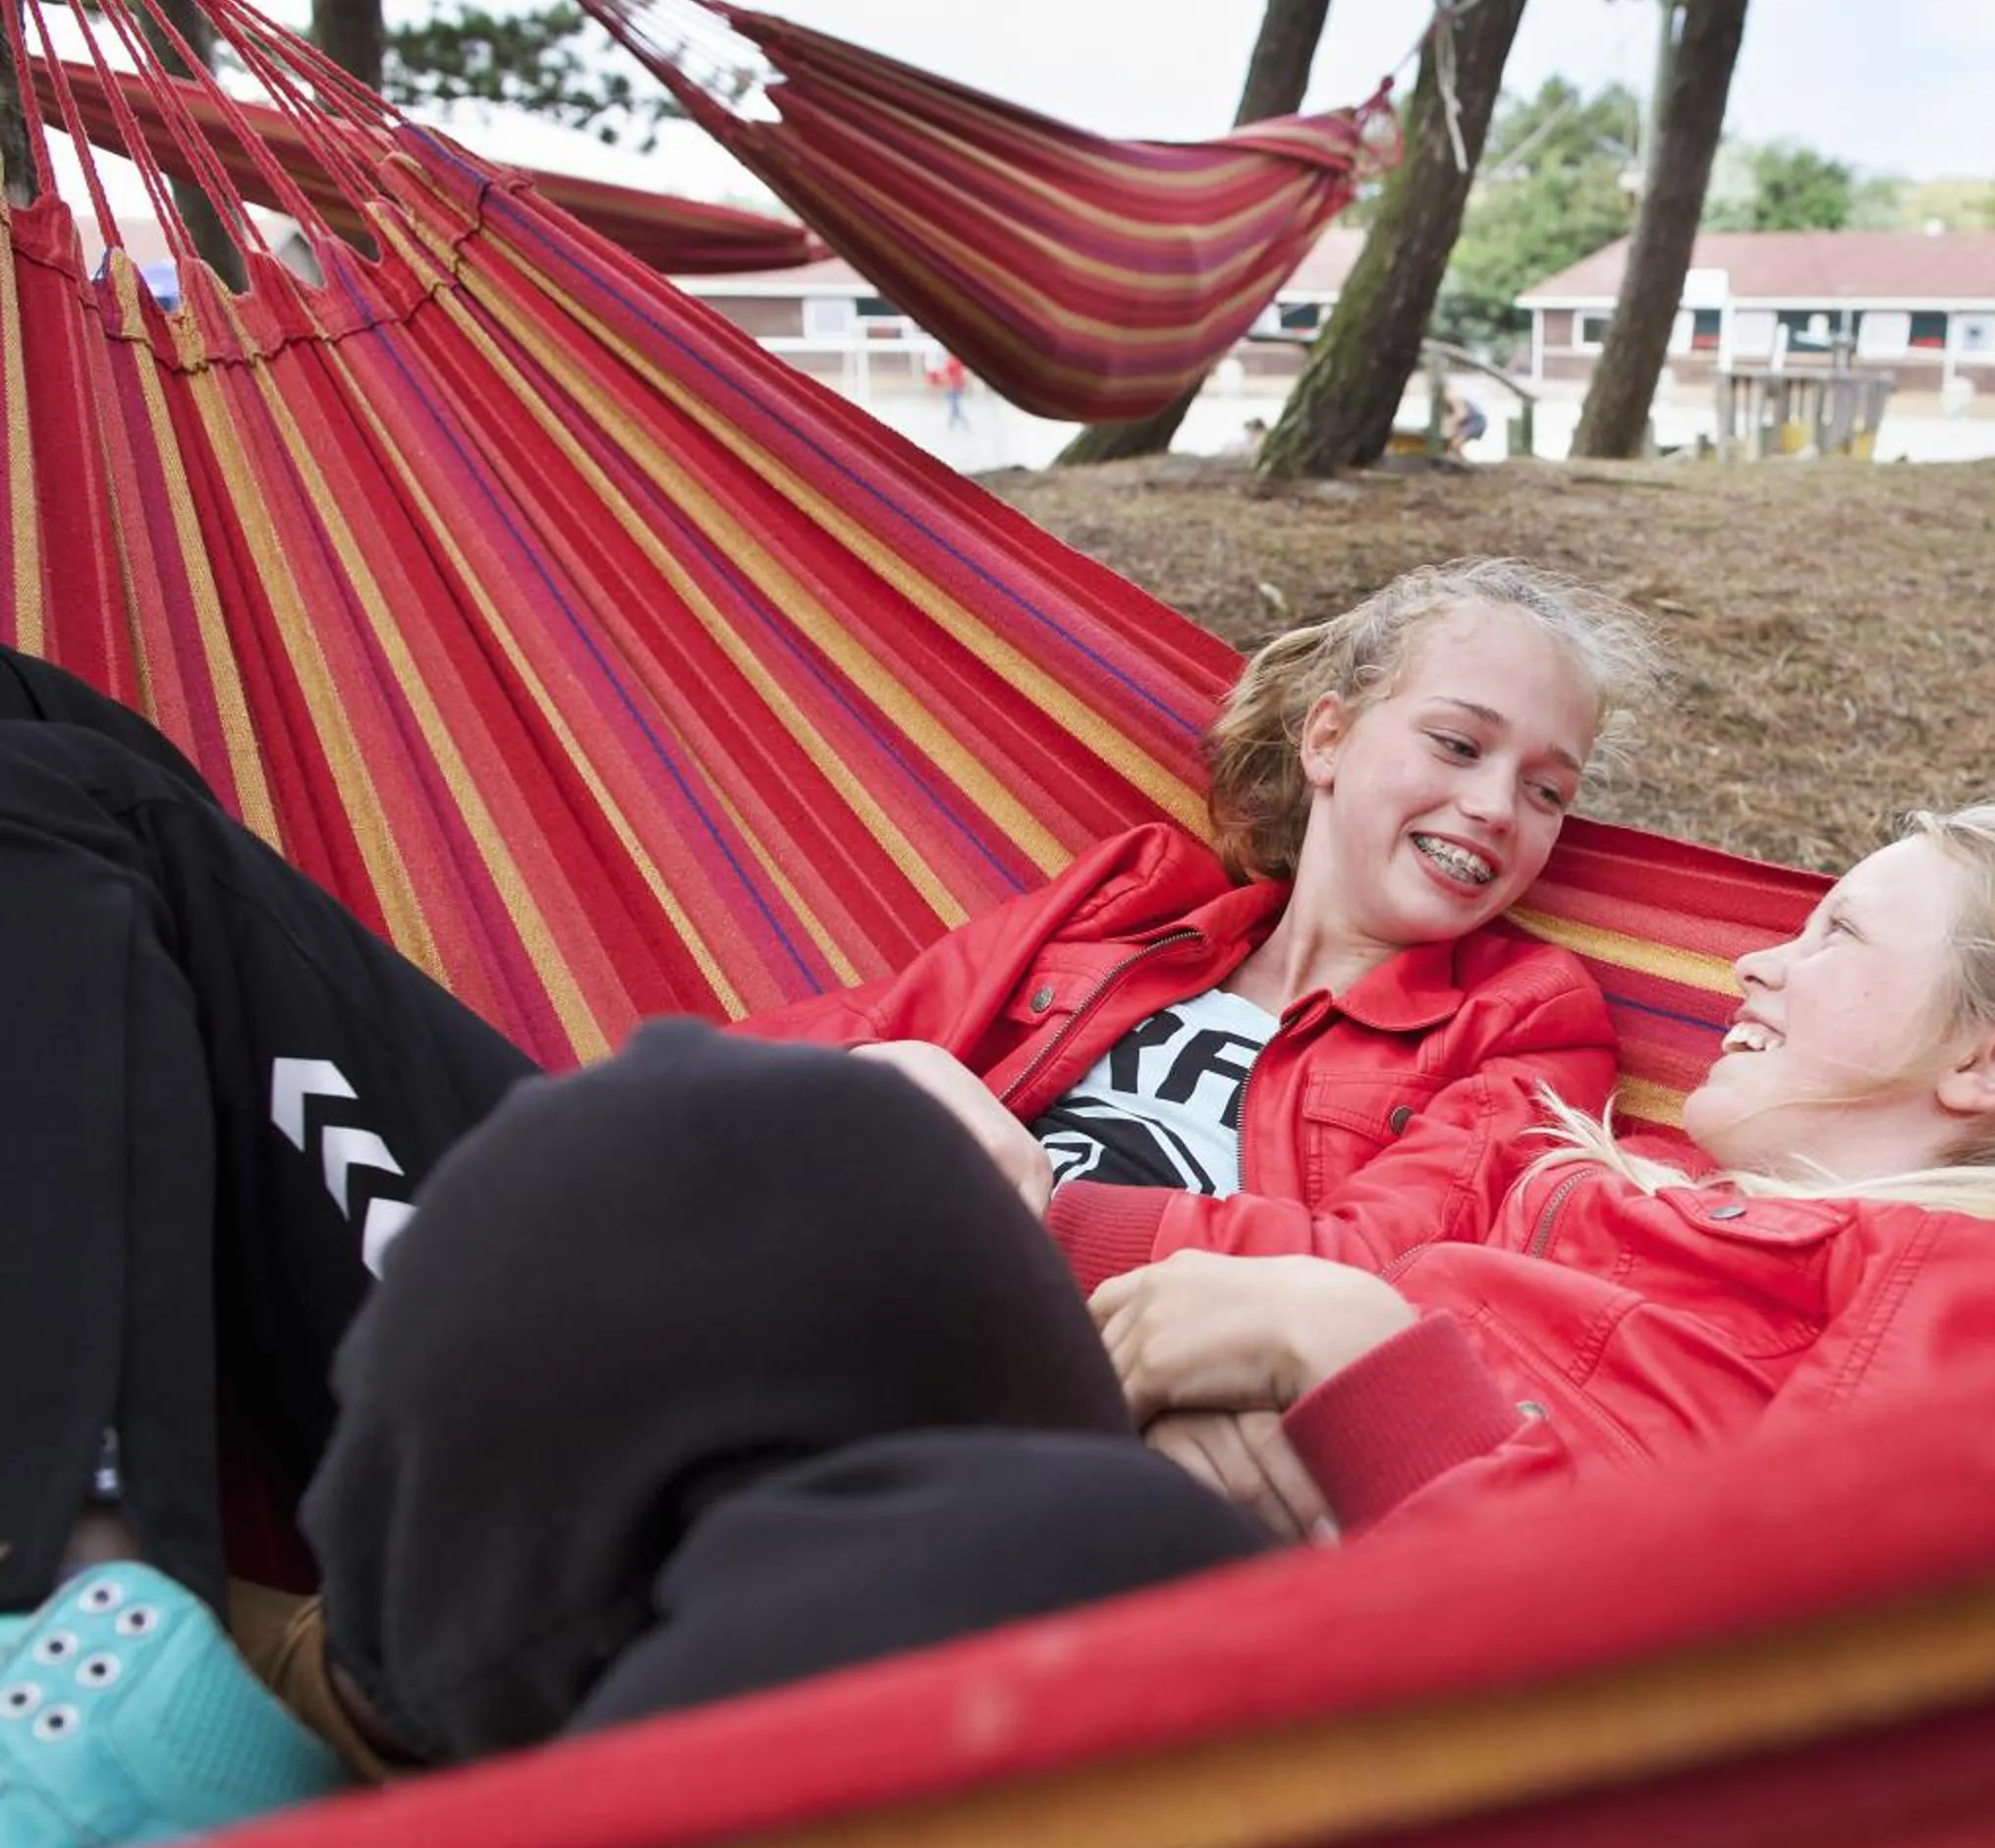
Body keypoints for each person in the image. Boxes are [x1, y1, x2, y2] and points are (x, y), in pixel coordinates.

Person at [0, 801, 1995, 1848]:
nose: (1760, 960)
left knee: (996, 1481)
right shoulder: (1579, 1164)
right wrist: (1009, 1175)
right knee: (64, 784)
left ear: (1990, 1074)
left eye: (1838, 932)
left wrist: (1360, 1360)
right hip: (828, 1510)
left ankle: (293, 1742)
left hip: (1207, 1694)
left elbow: (1796, 1685)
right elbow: (1246, 1243)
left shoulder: (1989, 1298)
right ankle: (162, 1663)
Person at [0, 559, 1656, 1637]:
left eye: (1547, 790)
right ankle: (97, 1591)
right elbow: (787, 1056)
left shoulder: (1524, 1022)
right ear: (1330, 734)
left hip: (891, 1420)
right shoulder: (1123, 916)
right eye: (1458, 743)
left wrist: (997, 1195)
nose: (1496, 808)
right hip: (659, 1282)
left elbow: (1383, 1272)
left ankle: (80, 1591)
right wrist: (905, 1078)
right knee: (48, 746)